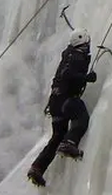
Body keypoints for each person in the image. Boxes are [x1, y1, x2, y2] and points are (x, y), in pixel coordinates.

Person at [27, 29, 98, 186]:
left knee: (57, 136)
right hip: (66, 101)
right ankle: (70, 143)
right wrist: (86, 77)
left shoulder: (68, 55)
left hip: (55, 103)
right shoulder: (77, 56)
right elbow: (68, 75)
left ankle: (37, 167)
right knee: (81, 117)